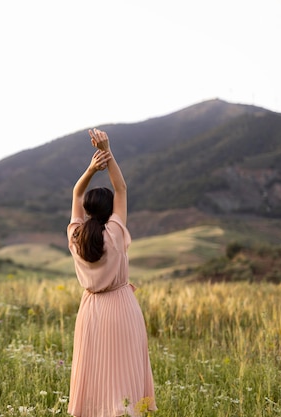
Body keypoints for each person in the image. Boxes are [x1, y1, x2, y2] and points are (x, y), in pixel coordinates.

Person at [67, 128, 157, 416]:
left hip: (90, 311)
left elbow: (77, 192)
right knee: (124, 377)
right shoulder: (115, 233)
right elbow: (122, 189)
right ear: (110, 212)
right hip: (121, 308)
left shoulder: (76, 236)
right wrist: (108, 153)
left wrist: (92, 168)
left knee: (93, 376)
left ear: (88, 210)